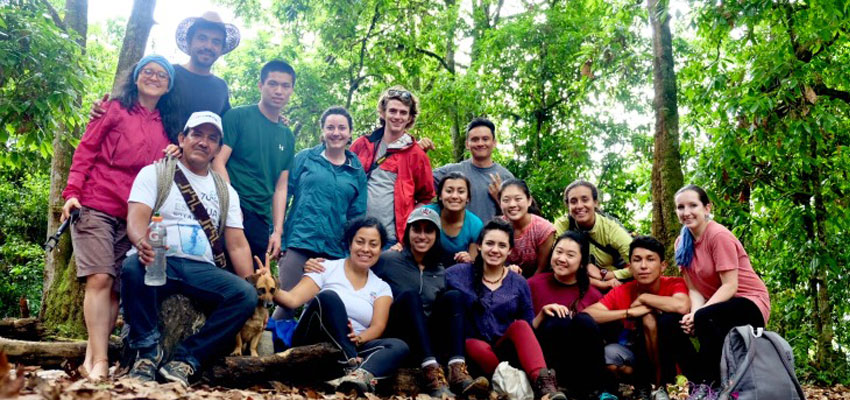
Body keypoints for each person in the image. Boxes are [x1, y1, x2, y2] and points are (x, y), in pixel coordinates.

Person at [60, 55, 178, 380]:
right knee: (99, 278)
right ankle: (100, 362)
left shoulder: (169, 126)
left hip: (134, 213)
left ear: (168, 85)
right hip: (96, 202)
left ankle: (91, 359)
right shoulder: (112, 108)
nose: (154, 77)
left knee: (114, 289)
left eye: (161, 75)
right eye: (148, 72)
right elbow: (86, 149)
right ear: (137, 77)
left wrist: (174, 152)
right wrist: (71, 193)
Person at [122, 112, 258, 386]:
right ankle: (146, 352)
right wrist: (141, 242)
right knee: (132, 267)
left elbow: (237, 243)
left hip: (202, 268)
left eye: (212, 138)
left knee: (244, 295)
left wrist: (253, 281)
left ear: (218, 149)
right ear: (182, 139)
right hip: (161, 259)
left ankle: (187, 360)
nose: (203, 142)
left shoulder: (226, 191)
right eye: (196, 134)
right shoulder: (156, 173)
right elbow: (136, 218)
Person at [303, 207, 490, 397]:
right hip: (400, 335)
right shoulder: (388, 259)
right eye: (417, 229)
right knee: (410, 296)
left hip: (429, 341)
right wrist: (318, 266)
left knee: (454, 297)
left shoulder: (442, 270)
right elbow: (358, 260)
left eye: (429, 230)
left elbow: (475, 283)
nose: (422, 236)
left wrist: (510, 268)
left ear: (436, 235)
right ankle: (430, 373)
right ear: (408, 232)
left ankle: (457, 370)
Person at [270, 217, 409, 395]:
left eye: (373, 244)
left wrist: (358, 338)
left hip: (353, 345)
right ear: (350, 243)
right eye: (360, 242)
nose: (366, 249)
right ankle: (350, 364)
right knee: (329, 298)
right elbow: (291, 300)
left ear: (380, 249)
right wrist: (268, 286)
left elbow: (378, 326)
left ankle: (355, 376)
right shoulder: (325, 268)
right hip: (313, 341)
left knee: (398, 346)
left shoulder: (381, 287)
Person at [446, 219, 567, 400]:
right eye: (489, 243)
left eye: (502, 245)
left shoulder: (518, 282)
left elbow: (527, 327)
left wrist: (542, 314)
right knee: (474, 344)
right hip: (474, 353)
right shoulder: (459, 274)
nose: (495, 250)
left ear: (510, 250)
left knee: (520, 326)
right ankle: (492, 385)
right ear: (479, 246)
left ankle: (545, 386)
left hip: (506, 351)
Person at [673, 184, 770, 398]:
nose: (686, 212)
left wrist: (700, 314)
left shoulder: (718, 235)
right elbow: (694, 288)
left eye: (693, 205)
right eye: (680, 207)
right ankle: (698, 383)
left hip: (749, 303)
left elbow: (730, 285)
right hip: (715, 307)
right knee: (669, 323)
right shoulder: (681, 243)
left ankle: (712, 386)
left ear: (707, 208)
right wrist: (693, 316)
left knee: (706, 317)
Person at [271, 106, 366, 320]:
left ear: (350, 133)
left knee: (319, 311)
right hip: (298, 243)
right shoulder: (305, 158)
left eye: (342, 128)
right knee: (286, 302)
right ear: (322, 130)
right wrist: (276, 234)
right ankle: (265, 349)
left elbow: (357, 215)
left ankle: (301, 353)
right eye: (330, 127)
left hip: (334, 251)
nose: (336, 132)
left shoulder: (355, 169)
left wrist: (351, 253)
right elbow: (282, 195)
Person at [91, 12, 240, 136]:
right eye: (202, 38)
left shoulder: (220, 87)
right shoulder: (167, 74)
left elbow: (228, 126)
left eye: (216, 42)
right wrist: (103, 109)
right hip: (157, 159)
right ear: (190, 41)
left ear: (221, 49)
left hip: (198, 167)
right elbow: (131, 104)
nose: (208, 46)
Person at [584, 236, 697, 400]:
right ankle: (644, 384)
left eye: (650, 259)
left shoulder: (674, 283)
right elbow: (588, 314)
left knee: (650, 318)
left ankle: (661, 384)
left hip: (670, 359)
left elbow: (681, 305)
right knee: (609, 356)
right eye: (637, 260)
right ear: (629, 267)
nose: (643, 266)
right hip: (636, 356)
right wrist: (628, 313)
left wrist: (644, 300)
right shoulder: (622, 291)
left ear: (663, 266)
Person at [213, 60, 296, 262]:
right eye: (272, 84)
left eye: (285, 86)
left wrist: (277, 231)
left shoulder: (287, 136)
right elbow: (218, 162)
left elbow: (281, 187)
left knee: (254, 285)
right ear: (261, 85)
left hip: (261, 220)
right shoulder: (237, 117)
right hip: (229, 210)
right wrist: (232, 207)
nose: (279, 91)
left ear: (291, 90)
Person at [528, 231, 616, 400]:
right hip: (546, 371)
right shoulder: (533, 284)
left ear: (582, 262)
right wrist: (542, 315)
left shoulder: (593, 295)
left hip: (582, 372)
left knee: (584, 320)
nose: (562, 259)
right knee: (557, 319)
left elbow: (606, 337)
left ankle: (596, 390)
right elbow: (523, 331)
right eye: (558, 252)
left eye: (570, 255)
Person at [350, 86, 435, 246]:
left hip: (391, 241)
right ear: (383, 113)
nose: (397, 117)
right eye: (393, 111)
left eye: (403, 112)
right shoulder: (363, 144)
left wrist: (408, 228)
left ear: (410, 118)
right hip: (355, 235)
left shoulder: (417, 154)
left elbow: (426, 197)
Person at [554, 180, 633, 290]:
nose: (579, 206)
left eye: (585, 199)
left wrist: (609, 274)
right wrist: (587, 268)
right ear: (568, 205)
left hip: (613, 283)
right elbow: (554, 260)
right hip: (577, 281)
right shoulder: (563, 225)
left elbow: (638, 264)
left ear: (595, 202)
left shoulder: (610, 228)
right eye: (573, 201)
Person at [432, 117, 515, 222]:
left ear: (494, 143)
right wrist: (419, 152)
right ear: (467, 144)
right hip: (457, 237)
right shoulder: (450, 172)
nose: (480, 143)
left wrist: (501, 198)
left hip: (491, 237)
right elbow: (416, 182)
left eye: (485, 139)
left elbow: (518, 218)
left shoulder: (506, 177)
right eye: (475, 139)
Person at [498, 179, 556, 278]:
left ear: (529, 201)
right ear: (500, 203)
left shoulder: (543, 229)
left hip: (536, 283)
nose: (512, 205)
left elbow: (542, 269)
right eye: (506, 200)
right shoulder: (496, 227)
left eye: (518, 199)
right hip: (502, 279)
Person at [424, 172, 483, 265]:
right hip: (425, 267)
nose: (454, 196)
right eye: (449, 191)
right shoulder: (426, 214)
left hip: (457, 273)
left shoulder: (475, 225)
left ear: (468, 197)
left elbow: (473, 263)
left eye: (461, 191)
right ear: (440, 196)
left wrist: (468, 259)